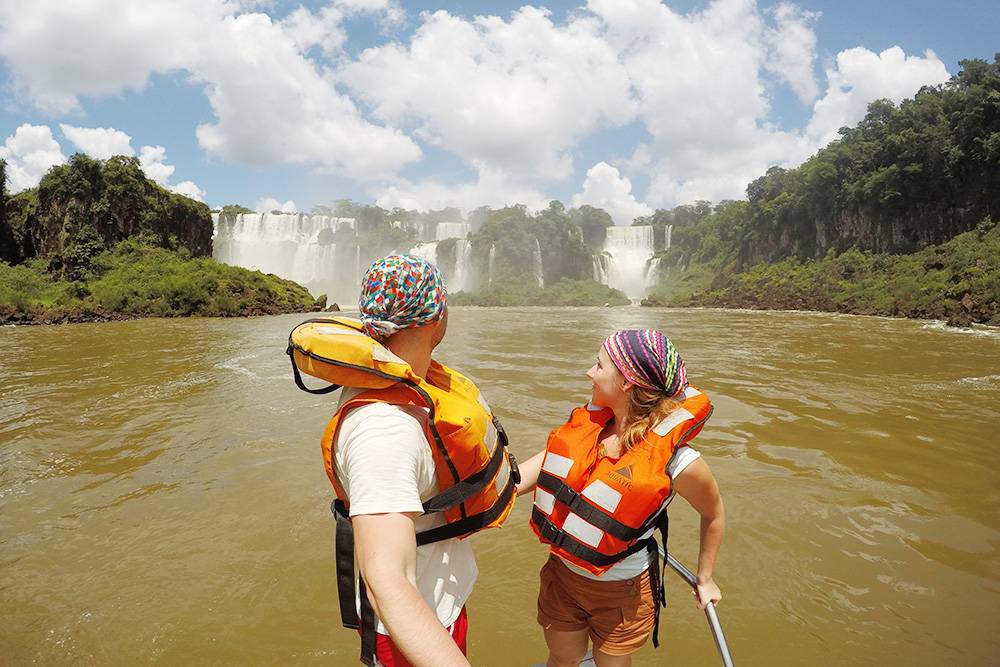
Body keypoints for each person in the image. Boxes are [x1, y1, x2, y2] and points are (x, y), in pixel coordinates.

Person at [287, 255, 518, 667]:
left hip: (438, 609)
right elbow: (388, 582)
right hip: (409, 633)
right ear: (437, 316)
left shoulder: (415, 386)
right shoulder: (384, 428)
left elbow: (456, 492)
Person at [515, 329, 725, 667]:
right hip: (563, 576)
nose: (589, 373)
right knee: (562, 656)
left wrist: (706, 577)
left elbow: (713, 514)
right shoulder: (593, 428)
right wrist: (498, 490)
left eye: (598, 366)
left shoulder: (680, 462)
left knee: (610, 662)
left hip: (624, 590)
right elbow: (549, 463)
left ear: (627, 382)